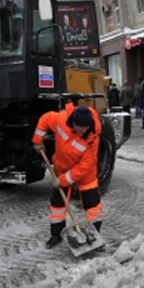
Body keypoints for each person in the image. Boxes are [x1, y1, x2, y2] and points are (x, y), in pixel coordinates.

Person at [32, 103, 104, 249]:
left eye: (86, 127)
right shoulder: (61, 119)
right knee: (57, 205)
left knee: (93, 207)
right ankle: (56, 235)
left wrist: (63, 180)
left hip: (85, 176)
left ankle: (94, 236)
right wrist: (37, 141)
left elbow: (84, 167)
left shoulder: (92, 139)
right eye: (80, 126)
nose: (83, 130)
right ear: (73, 123)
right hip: (61, 168)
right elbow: (45, 119)